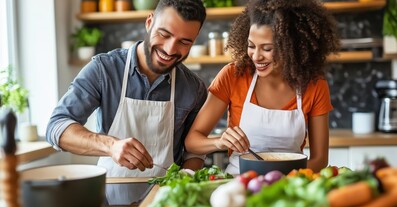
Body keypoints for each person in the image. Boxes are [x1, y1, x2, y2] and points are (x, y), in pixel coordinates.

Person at [46, 0, 208, 177]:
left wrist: (184, 180)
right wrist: (111, 146)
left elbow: (194, 151)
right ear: (149, 23)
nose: (170, 49)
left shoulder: (194, 88)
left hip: (165, 198)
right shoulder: (104, 70)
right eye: (164, 34)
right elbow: (57, 127)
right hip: (111, 197)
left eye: (184, 42)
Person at [185, 0, 340, 174]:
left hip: (289, 184)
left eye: (267, 48)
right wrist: (219, 142)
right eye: (251, 46)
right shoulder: (233, 75)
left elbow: (320, 159)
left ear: (292, 47)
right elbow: (192, 141)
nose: (256, 56)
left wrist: (285, 176)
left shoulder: (314, 84)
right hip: (238, 181)